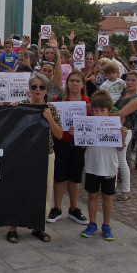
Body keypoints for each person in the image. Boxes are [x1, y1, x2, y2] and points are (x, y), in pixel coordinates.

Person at [7, 72, 64, 244]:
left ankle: (38, 226)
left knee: (44, 191)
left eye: (41, 87)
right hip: (24, 155)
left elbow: (59, 134)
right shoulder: (21, 106)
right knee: (19, 189)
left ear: (46, 90)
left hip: (46, 154)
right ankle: (13, 227)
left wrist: (49, 119)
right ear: (29, 89)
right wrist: (12, 110)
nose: (37, 90)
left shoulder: (51, 109)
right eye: (34, 87)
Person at [80, 91, 128, 241]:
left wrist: (123, 136)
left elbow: (120, 149)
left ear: (109, 110)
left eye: (103, 110)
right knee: (92, 195)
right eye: (96, 110)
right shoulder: (88, 123)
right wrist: (79, 135)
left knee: (107, 196)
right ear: (92, 110)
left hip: (109, 167)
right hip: (92, 166)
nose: (99, 113)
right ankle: (92, 223)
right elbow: (82, 147)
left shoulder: (116, 126)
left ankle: (106, 225)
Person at [48, 70, 90, 225]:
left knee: (75, 178)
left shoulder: (87, 103)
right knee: (59, 177)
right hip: (61, 142)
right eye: (72, 80)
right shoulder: (58, 100)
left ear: (83, 84)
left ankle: (74, 208)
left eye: (78, 81)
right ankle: (57, 208)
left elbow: (91, 125)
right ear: (67, 83)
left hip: (78, 145)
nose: (74, 84)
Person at [112, 70, 137, 201]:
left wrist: (102, 115)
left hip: (126, 130)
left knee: (121, 160)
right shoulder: (124, 93)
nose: (130, 82)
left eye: (133, 80)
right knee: (114, 159)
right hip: (116, 127)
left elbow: (121, 114)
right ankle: (112, 187)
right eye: (128, 80)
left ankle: (126, 190)